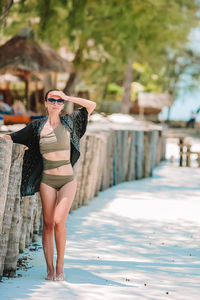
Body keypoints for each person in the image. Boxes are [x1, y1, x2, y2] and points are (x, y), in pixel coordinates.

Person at [0, 89, 96, 281]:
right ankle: (50, 270)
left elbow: (90, 105)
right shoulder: (37, 127)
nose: (55, 103)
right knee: (48, 224)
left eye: (59, 100)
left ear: (62, 104)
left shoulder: (70, 121)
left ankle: (60, 268)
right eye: (52, 100)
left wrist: (67, 97)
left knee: (60, 222)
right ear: (45, 103)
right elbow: (13, 137)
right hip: (47, 180)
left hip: (68, 179)